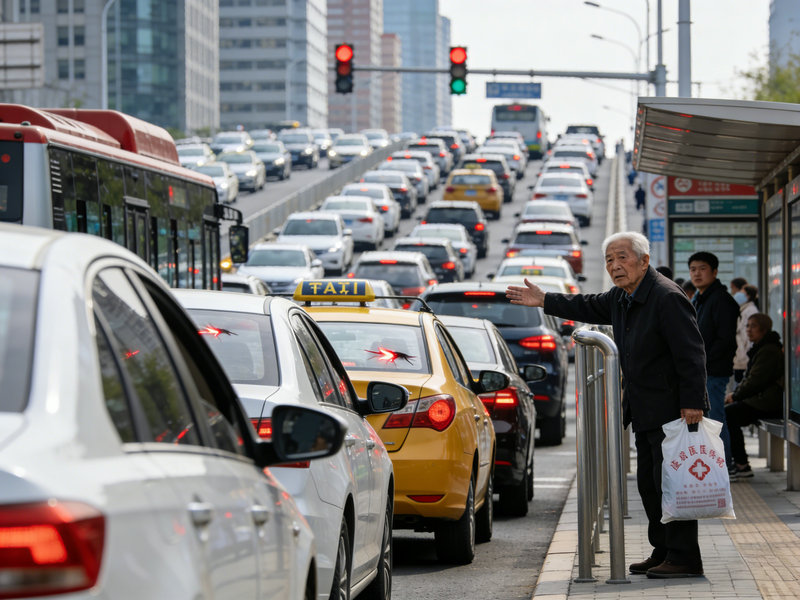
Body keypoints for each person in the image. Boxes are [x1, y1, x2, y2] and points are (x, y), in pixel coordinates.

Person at [506, 231, 707, 579]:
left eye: (622, 258)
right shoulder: (622, 297)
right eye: (609, 260)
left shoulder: (666, 297)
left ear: (644, 261)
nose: (615, 266)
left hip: (673, 411)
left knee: (673, 486)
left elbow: (691, 354)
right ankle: (663, 551)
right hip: (645, 410)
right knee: (649, 485)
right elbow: (585, 304)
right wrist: (544, 300)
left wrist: (692, 403)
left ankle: (685, 556)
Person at [688, 251, 739, 474]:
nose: (697, 274)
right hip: (702, 371)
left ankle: (724, 468)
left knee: (716, 420)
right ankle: (717, 467)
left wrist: (703, 361)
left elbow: (725, 340)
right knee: (709, 421)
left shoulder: (721, 300)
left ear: (714, 272)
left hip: (714, 371)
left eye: (702, 269)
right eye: (693, 269)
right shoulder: (698, 298)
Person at [724, 313, 783, 478]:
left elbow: (755, 381)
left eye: (753, 326)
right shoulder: (762, 347)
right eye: (747, 326)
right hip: (762, 399)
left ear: (764, 329)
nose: (748, 330)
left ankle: (742, 464)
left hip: (768, 403)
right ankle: (739, 462)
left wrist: (735, 396)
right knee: (729, 413)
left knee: (728, 415)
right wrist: (735, 395)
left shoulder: (768, 350)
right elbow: (751, 380)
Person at [732, 284, 759, 383]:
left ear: (748, 296)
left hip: (744, 358)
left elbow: (748, 337)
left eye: (742, 293)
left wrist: (746, 354)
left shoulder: (750, 311)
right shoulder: (742, 310)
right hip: (740, 357)